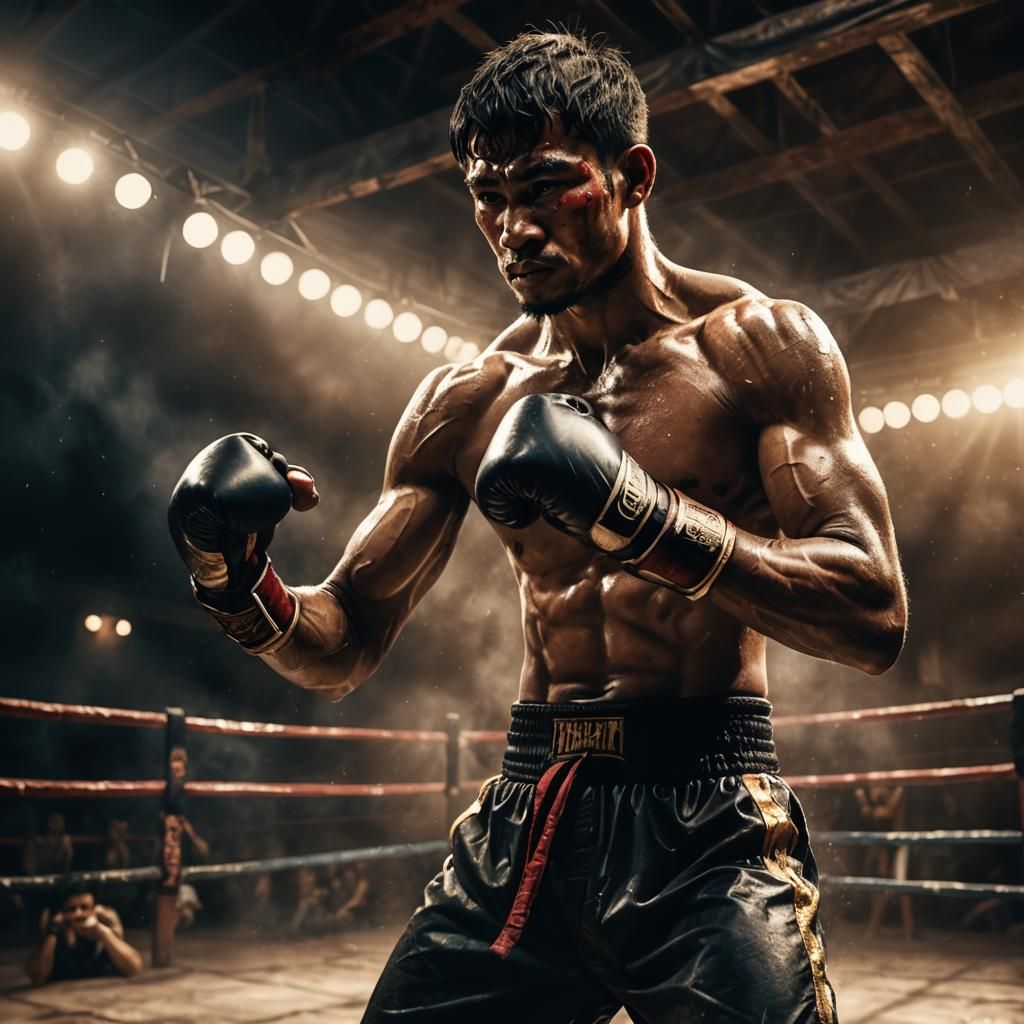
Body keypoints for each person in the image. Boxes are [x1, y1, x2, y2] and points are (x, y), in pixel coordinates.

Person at [168, 29, 907, 1023]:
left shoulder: (756, 349)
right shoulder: (467, 400)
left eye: (542, 186)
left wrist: (640, 516)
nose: (511, 226)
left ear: (631, 175)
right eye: (487, 195)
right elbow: (340, 641)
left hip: (708, 825)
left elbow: (870, 609)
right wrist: (235, 578)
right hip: (527, 817)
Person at [24, 881, 143, 985]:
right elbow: (37, 976)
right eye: (71, 909)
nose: (78, 914)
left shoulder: (104, 927)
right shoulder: (56, 931)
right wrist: (52, 932)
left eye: (84, 907)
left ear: (94, 910)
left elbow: (133, 968)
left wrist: (103, 933)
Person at [855, 784, 915, 941]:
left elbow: (887, 812)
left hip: (899, 843)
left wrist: (869, 803)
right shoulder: (878, 798)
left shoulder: (898, 791)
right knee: (879, 886)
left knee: (901, 886)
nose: (875, 789)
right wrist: (865, 802)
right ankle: (874, 927)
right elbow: (869, 814)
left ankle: (909, 930)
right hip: (884, 844)